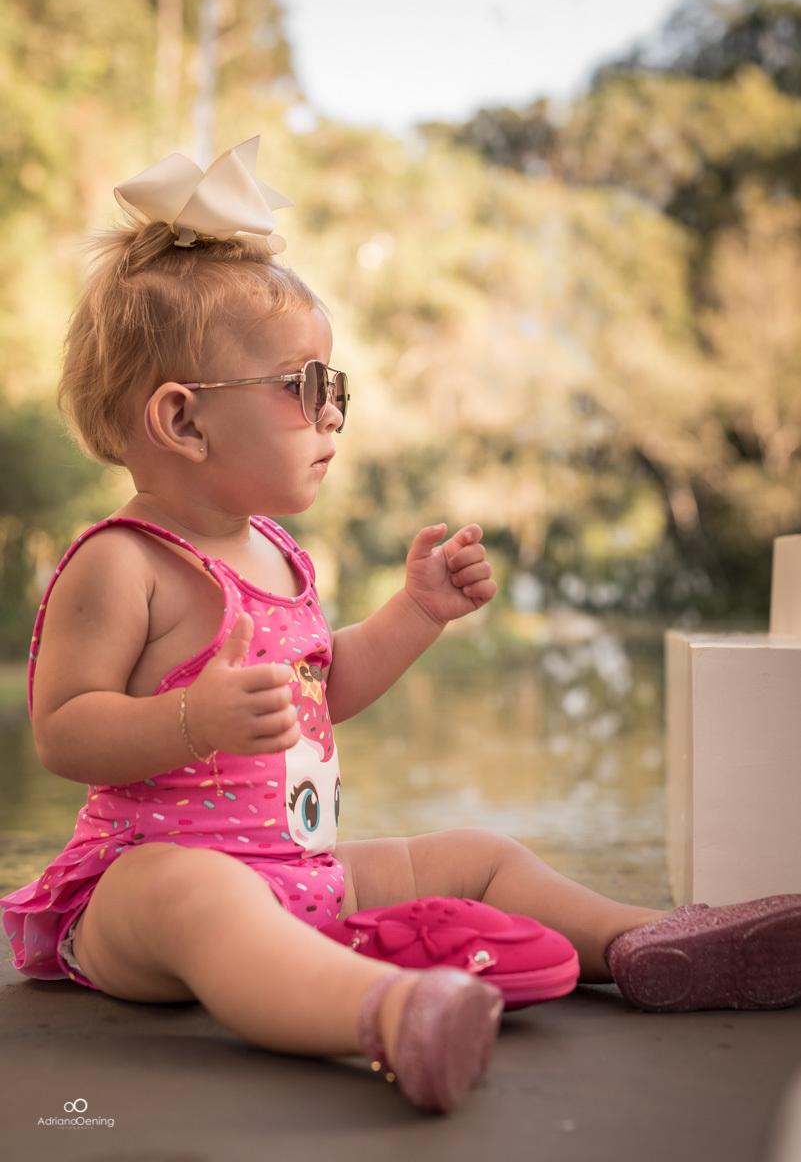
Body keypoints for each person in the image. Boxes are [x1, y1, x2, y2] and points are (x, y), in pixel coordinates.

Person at [3, 139, 800, 1115]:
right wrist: (190, 724)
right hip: (137, 896)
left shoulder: (279, 555)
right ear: (183, 420)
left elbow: (322, 694)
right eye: (305, 388)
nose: (334, 411)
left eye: (334, 386)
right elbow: (60, 729)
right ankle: (388, 1015)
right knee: (195, 894)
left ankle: (648, 941)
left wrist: (416, 614)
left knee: (475, 854)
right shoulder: (121, 562)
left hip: (298, 871)